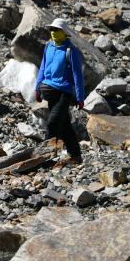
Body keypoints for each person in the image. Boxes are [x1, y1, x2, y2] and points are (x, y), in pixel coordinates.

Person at [35, 18, 85, 164]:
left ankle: (43, 157)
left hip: (64, 93)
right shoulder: (48, 46)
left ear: (64, 32)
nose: (53, 32)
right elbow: (42, 67)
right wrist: (37, 88)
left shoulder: (71, 51)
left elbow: (77, 75)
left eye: (56, 30)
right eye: (51, 29)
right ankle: (76, 155)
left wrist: (80, 98)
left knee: (53, 123)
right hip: (50, 92)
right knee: (64, 125)